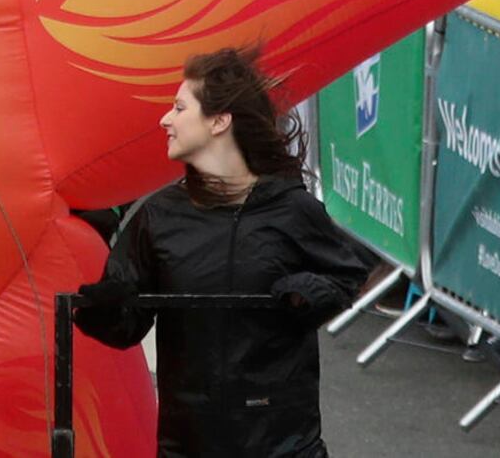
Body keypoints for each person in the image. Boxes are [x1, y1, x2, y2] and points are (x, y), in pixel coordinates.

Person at [71, 48, 367, 458]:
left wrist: (306, 293)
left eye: (178, 107)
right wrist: (99, 305)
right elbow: (126, 327)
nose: (165, 120)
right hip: (189, 444)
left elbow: (347, 274)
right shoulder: (158, 217)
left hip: (283, 445)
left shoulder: (291, 209)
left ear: (219, 121)